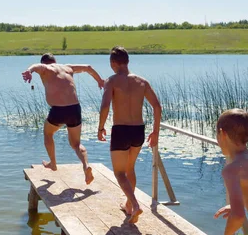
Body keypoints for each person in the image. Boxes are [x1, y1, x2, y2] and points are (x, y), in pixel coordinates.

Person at [97, 46, 162, 224]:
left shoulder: (111, 81)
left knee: (119, 173)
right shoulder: (142, 81)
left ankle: (135, 204)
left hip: (121, 130)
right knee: (129, 169)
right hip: (138, 131)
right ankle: (128, 205)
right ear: (127, 62)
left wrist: (100, 127)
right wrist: (155, 132)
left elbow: (105, 106)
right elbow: (157, 106)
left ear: (113, 63)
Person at [22, 53, 104, 185]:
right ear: (55, 61)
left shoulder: (46, 68)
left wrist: (29, 70)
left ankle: (53, 163)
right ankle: (86, 165)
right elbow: (88, 67)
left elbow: (37, 66)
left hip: (58, 110)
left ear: (45, 63)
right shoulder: (67, 67)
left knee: (48, 133)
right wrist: (99, 80)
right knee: (76, 144)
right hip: (75, 109)